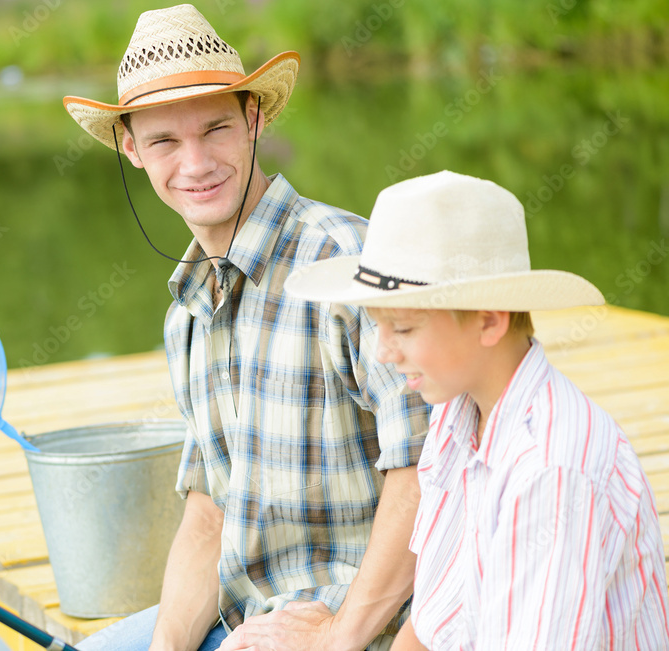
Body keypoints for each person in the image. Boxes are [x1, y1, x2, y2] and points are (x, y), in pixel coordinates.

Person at [64, 4, 429, 651]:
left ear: (254, 118)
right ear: (131, 149)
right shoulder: (187, 315)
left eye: (215, 129)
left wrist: (339, 635)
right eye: (164, 142)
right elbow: (209, 514)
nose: (196, 162)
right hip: (250, 622)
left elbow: (428, 472)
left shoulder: (348, 265)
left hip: (379, 622)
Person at [285, 170, 669, 649]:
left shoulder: (550, 470)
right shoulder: (458, 408)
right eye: (378, 326)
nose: (383, 352)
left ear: (488, 320)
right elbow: (432, 618)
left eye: (402, 329)